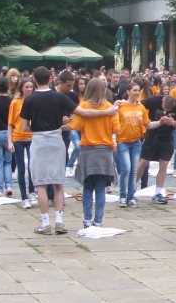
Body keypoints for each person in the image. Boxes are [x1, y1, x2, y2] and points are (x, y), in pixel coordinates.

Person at [20, 66, 113, 235]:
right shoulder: (59, 97)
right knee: (58, 183)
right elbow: (84, 113)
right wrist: (107, 111)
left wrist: (38, 128)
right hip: (56, 139)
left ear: (34, 79)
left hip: (39, 140)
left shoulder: (29, 99)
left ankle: (45, 223)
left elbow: (25, 126)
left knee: (41, 184)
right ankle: (60, 221)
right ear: (50, 79)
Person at [70, 77, 118, 230]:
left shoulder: (83, 107)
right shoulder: (110, 108)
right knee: (100, 188)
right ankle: (98, 221)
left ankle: (87, 220)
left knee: (88, 187)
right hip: (104, 151)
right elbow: (117, 128)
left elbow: (76, 126)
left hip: (88, 151)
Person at [114, 79, 150, 206]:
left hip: (136, 142)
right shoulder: (120, 106)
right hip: (122, 142)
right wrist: (113, 140)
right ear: (128, 92)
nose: (137, 93)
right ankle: (122, 196)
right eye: (134, 90)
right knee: (126, 169)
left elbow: (148, 124)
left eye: (138, 91)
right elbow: (113, 123)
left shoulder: (141, 107)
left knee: (134, 170)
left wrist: (161, 123)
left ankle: (131, 196)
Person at [8, 79, 35, 208]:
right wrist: (9, 141)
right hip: (18, 137)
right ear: (21, 88)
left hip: (31, 137)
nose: (29, 89)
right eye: (26, 87)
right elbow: (10, 123)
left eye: (31, 87)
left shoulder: (34, 101)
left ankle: (32, 191)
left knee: (32, 166)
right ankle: (24, 196)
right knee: (21, 168)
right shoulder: (15, 102)